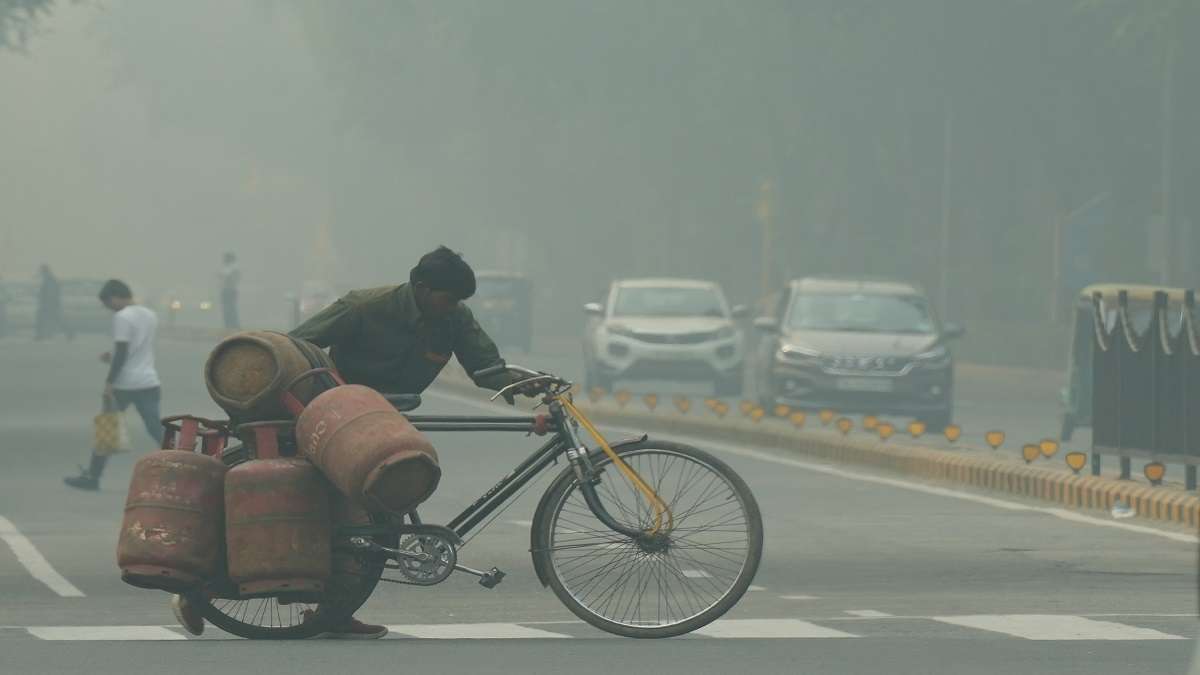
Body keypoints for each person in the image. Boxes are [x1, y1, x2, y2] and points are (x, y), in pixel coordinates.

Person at [170, 246, 534, 640]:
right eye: (448, 298)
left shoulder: (454, 318)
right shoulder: (364, 307)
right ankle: (201, 591)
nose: (454, 306)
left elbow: (485, 367)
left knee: (383, 523)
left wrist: (525, 385)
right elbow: (295, 347)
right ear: (422, 288)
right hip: (335, 421)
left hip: (387, 426)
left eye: (459, 300)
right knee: (306, 517)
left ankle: (334, 612)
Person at [64, 280, 164, 491]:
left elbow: (122, 351)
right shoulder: (149, 314)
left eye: (108, 302)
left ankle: (93, 477)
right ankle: (187, 467)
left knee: (107, 429)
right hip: (149, 381)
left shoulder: (122, 317)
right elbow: (136, 349)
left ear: (116, 297)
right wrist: (111, 357)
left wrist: (109, 382)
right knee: (157, 429)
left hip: (124, 384)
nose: (108, 308)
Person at [34, 264, 65, 341]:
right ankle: (40, 335)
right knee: (55, 319)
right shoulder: (49, 279)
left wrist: (43, 299)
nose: (41, 273)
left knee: (43, 318)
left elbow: (50, 293)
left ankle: (40, 335)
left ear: (45, 271)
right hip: (50, 304)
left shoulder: (50, 280)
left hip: (49, 305)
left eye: (42, 271)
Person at [220, 252, 240, 330]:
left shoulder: (233, 268)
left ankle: (232, 325)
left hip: (230, 290)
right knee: (227, 308)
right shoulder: (225, 268)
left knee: (230, 308)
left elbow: (233, 278)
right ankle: (228, 325)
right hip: (225, 290)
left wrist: (227, 279)